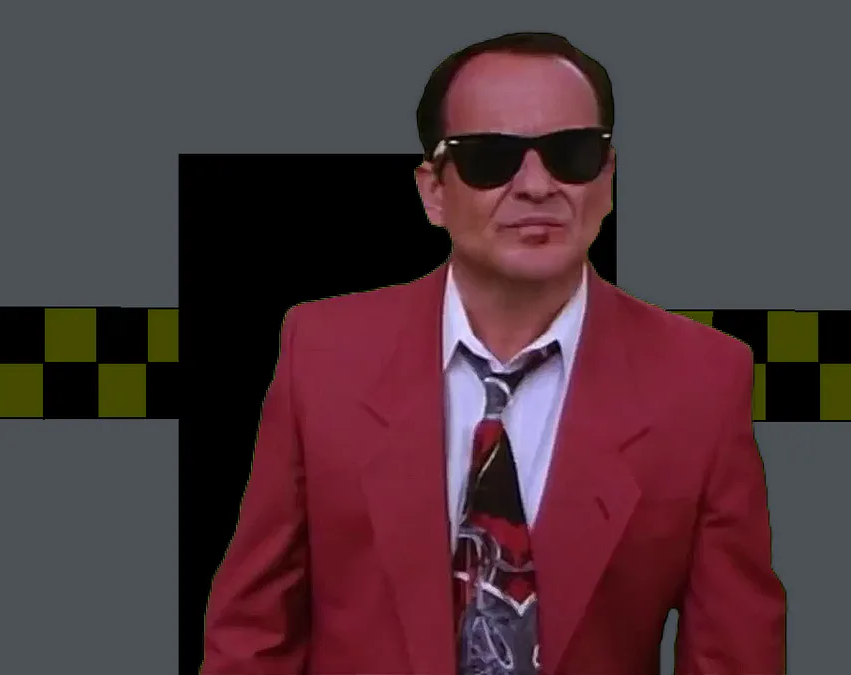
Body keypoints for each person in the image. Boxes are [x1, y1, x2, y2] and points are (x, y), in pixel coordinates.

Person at [200, 32, 786, 675]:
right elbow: (253, 634)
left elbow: (736, 655)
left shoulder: (704, 381)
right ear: (433, 190)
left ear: (609, 176)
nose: (536, 185)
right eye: (490, 158)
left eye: (572, 153)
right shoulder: (322, 353)